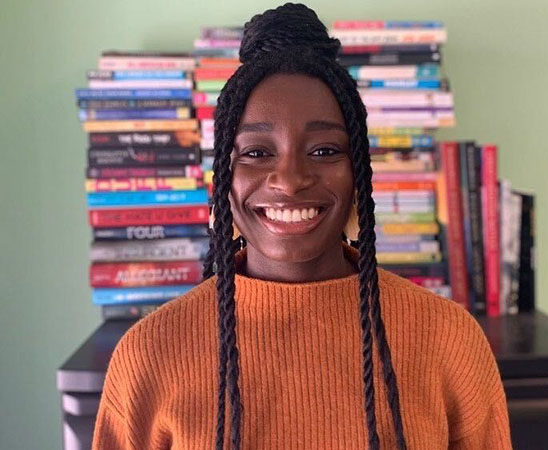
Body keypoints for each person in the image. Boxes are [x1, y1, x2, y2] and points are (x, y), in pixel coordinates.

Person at [91, 3, 512, 449]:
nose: (290, 181)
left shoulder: (449, 339)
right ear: (223, 177)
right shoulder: (149, 355)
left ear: (359, 176)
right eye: (256, 152)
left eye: (325, 150)